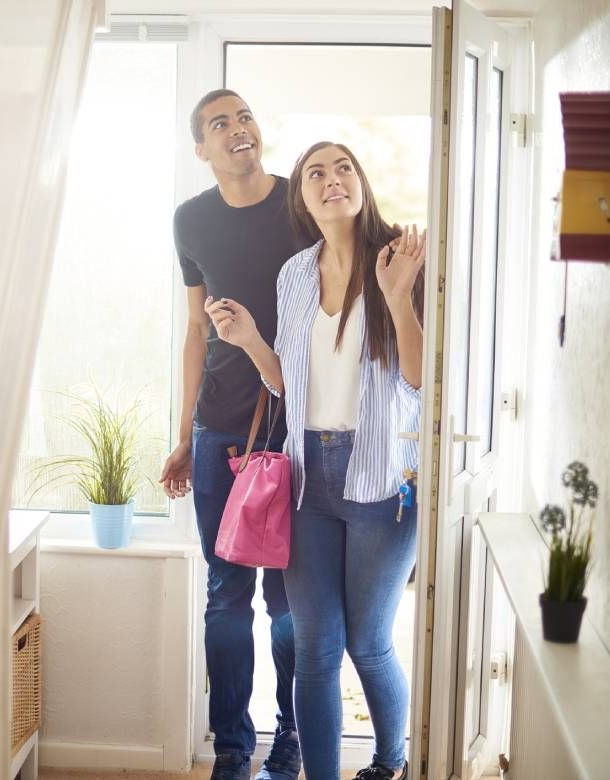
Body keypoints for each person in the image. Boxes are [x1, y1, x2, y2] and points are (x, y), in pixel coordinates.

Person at [205, 141, 425, 780]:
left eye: (344, 167)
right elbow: (287, 385)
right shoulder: (295, 274)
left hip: (383, 480)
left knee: (369, 643)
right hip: (307, 481)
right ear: (301, 195)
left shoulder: (401, 259)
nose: (332, 181)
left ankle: (390, 763)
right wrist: (249, 340)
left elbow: (417, 381)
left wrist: (398, 295)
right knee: (314, 648)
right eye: (316, 173)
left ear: (363, 181)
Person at [159, 89, 306, 780]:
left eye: (245, 116)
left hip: (296, 432)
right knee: (226, 594)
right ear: (202, 149)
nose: (238, 129)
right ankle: (232, 752)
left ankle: (293, 738)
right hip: (219, 427)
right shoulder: (190, 220)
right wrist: (183, 431)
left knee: (288, 598)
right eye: (220, 124)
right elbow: (193, 330)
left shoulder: (299, 206)